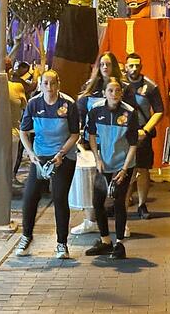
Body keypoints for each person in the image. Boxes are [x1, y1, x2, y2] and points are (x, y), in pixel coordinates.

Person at [16, 70, 80, 259]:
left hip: (63, 155)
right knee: (30, 196)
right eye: (45, 83)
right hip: (40, 155)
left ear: (58, 84)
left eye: (53, 83)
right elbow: (23, 131)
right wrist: (31, 153)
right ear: (40, 84)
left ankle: (62, 243)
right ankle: (26, 236)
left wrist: (61, 154)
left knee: (59, 197)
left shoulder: (68, 104)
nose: (49, 87)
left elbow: (75, 134)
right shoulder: (34, 103)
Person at [84, 79, 139, 260]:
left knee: (118, 201)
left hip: (123, 163)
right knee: (97, 201)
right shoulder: (96, 110)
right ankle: (105, 240)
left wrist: (124, 169)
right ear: (104, 93)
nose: (114, 94)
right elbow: (92, 135)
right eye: (110, 90)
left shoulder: (130, 113)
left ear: (121, 93)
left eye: (117, 91)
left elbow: (133, 144)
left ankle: (120, 243)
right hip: (104, 163)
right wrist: (97, 158)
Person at [71, 52, 123, 235]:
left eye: (108, 64)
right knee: (90, 182)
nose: (105, 67)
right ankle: (89, 220)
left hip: (116, 143)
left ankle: (120, 224)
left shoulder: (123, 88)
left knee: (116, 185)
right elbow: (81, 112)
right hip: (92, 142)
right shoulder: (90, 89)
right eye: (102, 64)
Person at [125, 52, 164, 220]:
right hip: (123, 132)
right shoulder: (119, 84)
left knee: (142, 168)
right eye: (131, 65)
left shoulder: (150, 86)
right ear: (126, 67)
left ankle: (141, 204)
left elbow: (159, 111)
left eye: (137, 65)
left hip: (142, 132)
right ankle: (123, 202)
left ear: (141, 66)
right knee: (124, 169)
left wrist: (146, 130)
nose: (134, 68)